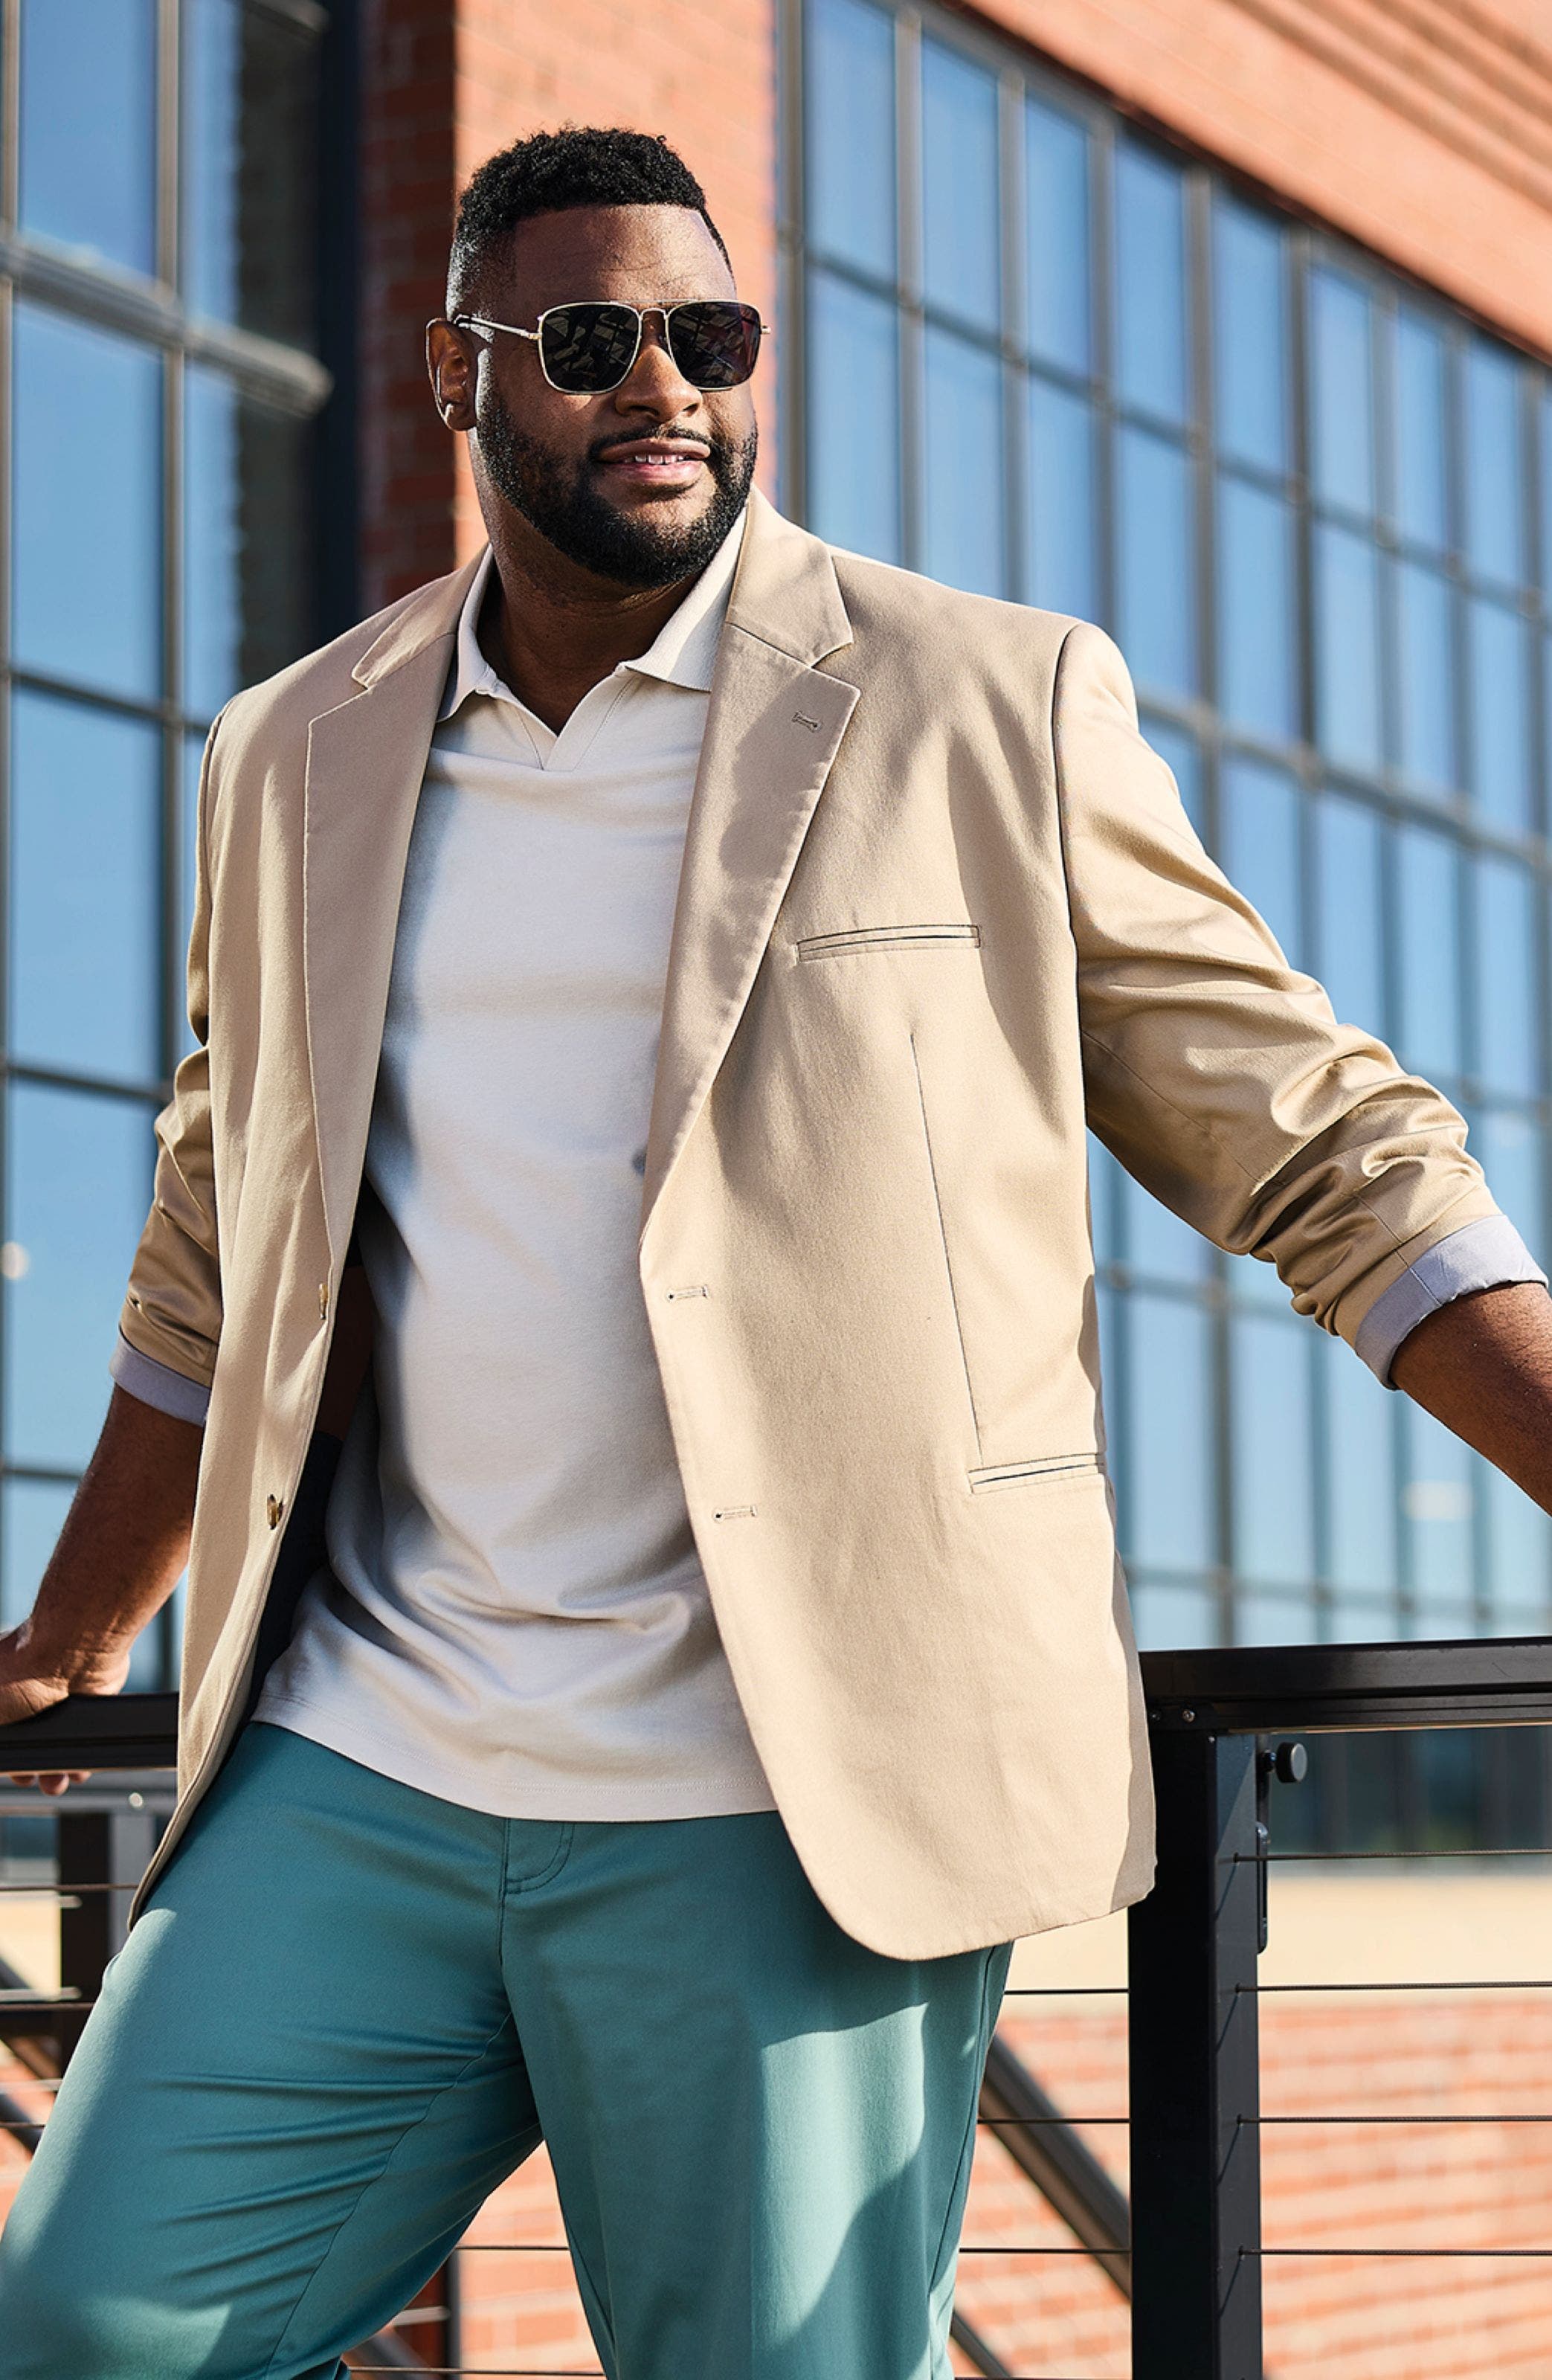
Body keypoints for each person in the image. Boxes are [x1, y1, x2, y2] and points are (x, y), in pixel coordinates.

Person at [0, 123, 1549, 2380]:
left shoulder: (983, 702)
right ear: (459, 377)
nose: (664, 390)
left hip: (784, 1798)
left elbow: (1324, 1153)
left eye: (710, 340)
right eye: (591, 340)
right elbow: (213, 1249)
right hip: (361, 1768)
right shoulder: (291, 751)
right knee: (87, 2333)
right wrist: (66, 1634)